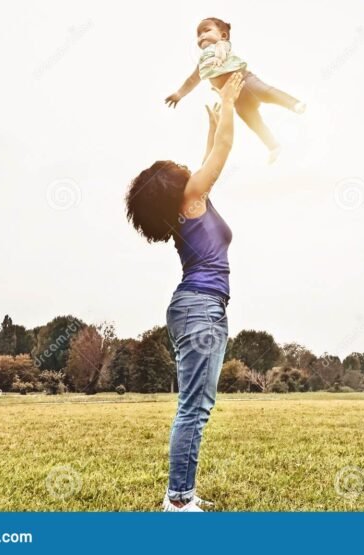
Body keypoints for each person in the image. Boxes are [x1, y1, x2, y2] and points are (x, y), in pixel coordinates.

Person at [126, 72, 245, 512]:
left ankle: (182, 494)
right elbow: (224, 153)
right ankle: (178, 502)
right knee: (194, 407)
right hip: (200, 308)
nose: (185, 169)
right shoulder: (193, 194)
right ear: (177, 186)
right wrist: (229, 102)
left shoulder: (192, 199)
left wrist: (212, 122)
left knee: (195, 405)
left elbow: (212, 152)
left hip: (194, 307)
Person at [165, 17, 305, 164]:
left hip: (245, 81)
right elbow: (192, 80)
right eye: (199, 34)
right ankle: (273, 146)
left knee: (267, 92)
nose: (201, 36)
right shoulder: (203, 62)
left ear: (223, 35)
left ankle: (294, 104)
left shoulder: (222, 44)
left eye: (207, 30)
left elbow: (222, 50)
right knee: (253, 121)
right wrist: (179, 94)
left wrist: (219, 57)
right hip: (235, 98)